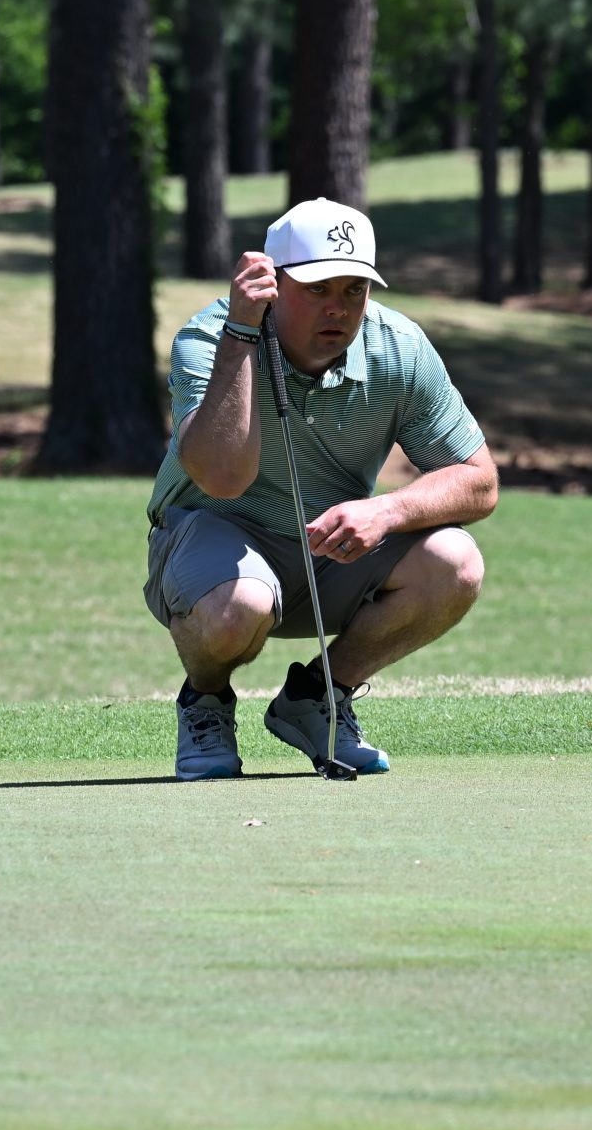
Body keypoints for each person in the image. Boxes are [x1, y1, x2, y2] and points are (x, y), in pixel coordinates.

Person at [145, 196, 499, 780]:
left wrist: (388, 511)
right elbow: (222, 476)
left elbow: (479, 482)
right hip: (212, 540)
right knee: (239, 605)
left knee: (454, 562)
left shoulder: (399, 348)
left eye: (353, 291)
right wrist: (242, 334)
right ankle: (206, 703)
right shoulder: (210, 337)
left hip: (329, 554)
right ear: (272, 283)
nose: (338, 309)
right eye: (316, 290)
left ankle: (317, 698)